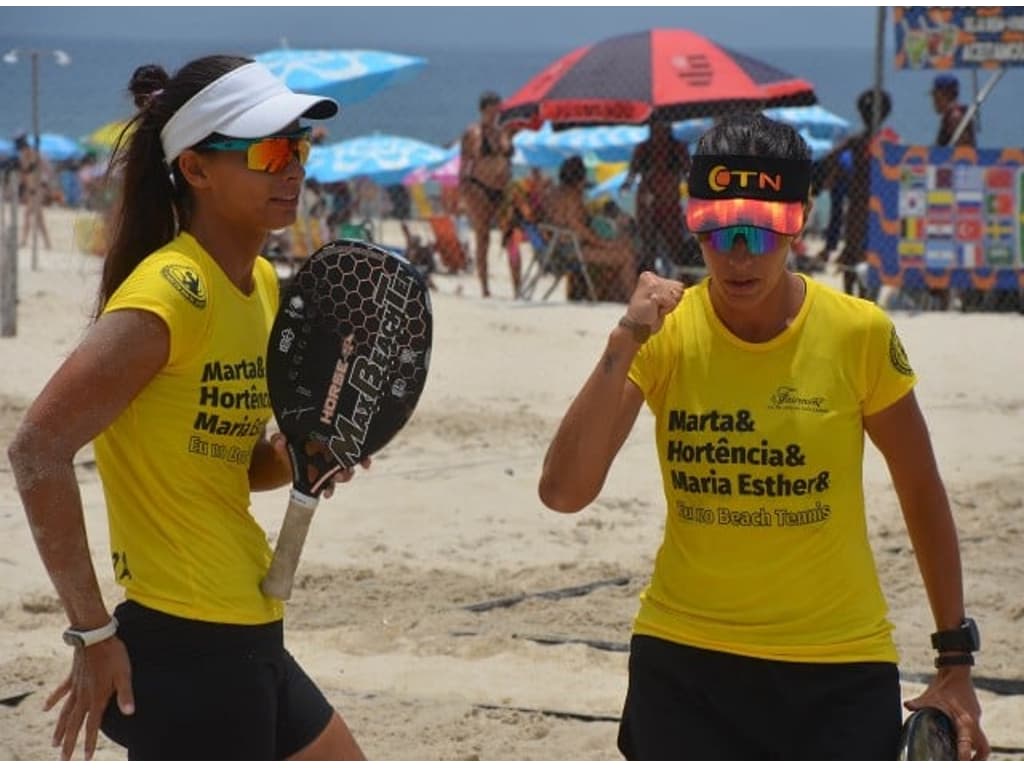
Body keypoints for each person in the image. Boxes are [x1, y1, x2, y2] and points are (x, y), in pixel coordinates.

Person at [538, 113, 988, 761]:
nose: (738, 253)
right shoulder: (665, 331)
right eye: (717, 231)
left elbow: (921, 490)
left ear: (797, 221)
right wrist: (623, 340)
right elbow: (564, 492)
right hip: (683, 663)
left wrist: (955, 662)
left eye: (759, 230)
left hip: (837, 667)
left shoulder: (858, 333)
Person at [7, 55, 367, 760]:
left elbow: (231, 463)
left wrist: (302, 456)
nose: (291, 166)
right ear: (196, 169)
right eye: (267, 149)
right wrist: (92, 633)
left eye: (299, 146)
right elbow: (36, 449)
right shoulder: (171, 293)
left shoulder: (262, 284)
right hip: (185, 644)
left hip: (248, 625)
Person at [824, 88, 897, 299]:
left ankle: (853, 295)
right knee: (864, 252)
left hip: (859, 201)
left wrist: (833, 175)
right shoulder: (888, 140)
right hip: (878, 203)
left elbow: (832, 156)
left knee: (854, 251)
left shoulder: (858, 141)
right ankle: (864, 295)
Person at [541, 155, 637, 302]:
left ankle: (612, 296)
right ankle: (633, 301)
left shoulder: (553, 193)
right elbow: (579, 229)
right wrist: (605, 244)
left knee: (622, 250)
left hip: (554, 248)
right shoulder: (572, 197)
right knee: (626, 256)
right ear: (580, 177)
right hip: (571, 251)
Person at [459, 90, 515, 298]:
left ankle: (517, 287)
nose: (494, 116)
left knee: (511, 235)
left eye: (497, 112)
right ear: (482, 111)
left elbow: (507, 155)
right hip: (478, 187)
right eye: (491, 112)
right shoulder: (472, 133)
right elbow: (464, 162)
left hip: (501, 188)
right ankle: (484, 287)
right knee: (483, 237)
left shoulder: (503, 133)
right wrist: (463, 190)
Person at [621, 118, 692, 276]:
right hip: (648, 203)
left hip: (668, 202)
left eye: (662, 126)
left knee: (675, 246)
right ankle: (650, 279)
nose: (658, 131)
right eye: (655, 127)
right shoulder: (643, 149)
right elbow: (631, 176)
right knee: (649, 247)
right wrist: (626, 186)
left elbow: (688, 175)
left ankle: (682, 279)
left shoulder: (678, 148)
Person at [15, 133, 53, 250]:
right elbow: (25, 175)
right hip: (31, 190)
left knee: (30, 215)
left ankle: (25, 241)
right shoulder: (24, 156)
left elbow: (45, 170)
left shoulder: (34, 154)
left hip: (38, 190)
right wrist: (23, 190)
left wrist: (44, 185)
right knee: (37, 218)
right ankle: (46, 243)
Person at [932, 73, 976, 148]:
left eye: (935, 95)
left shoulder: (955, 117)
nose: (933, 100)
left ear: (946, 94)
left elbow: (964, 150)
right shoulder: (950, 117)